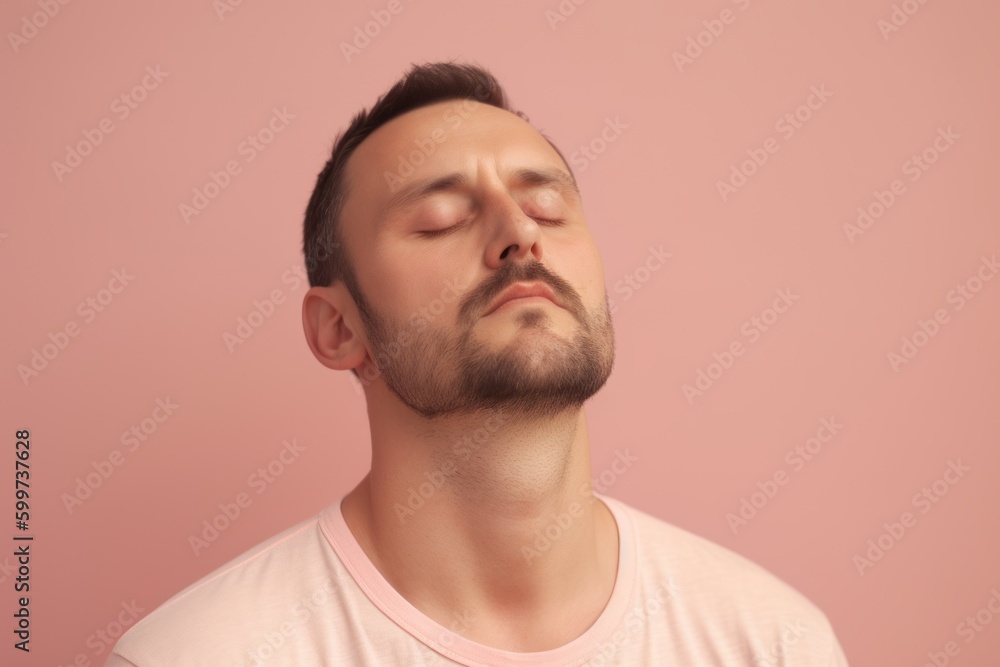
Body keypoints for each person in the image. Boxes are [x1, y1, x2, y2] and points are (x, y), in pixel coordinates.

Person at [106, 61, 849, 666]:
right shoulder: (196, 655)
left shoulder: (774, 644)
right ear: (338, 327)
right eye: (440, 219)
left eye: (549, 208)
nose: (519, 232)